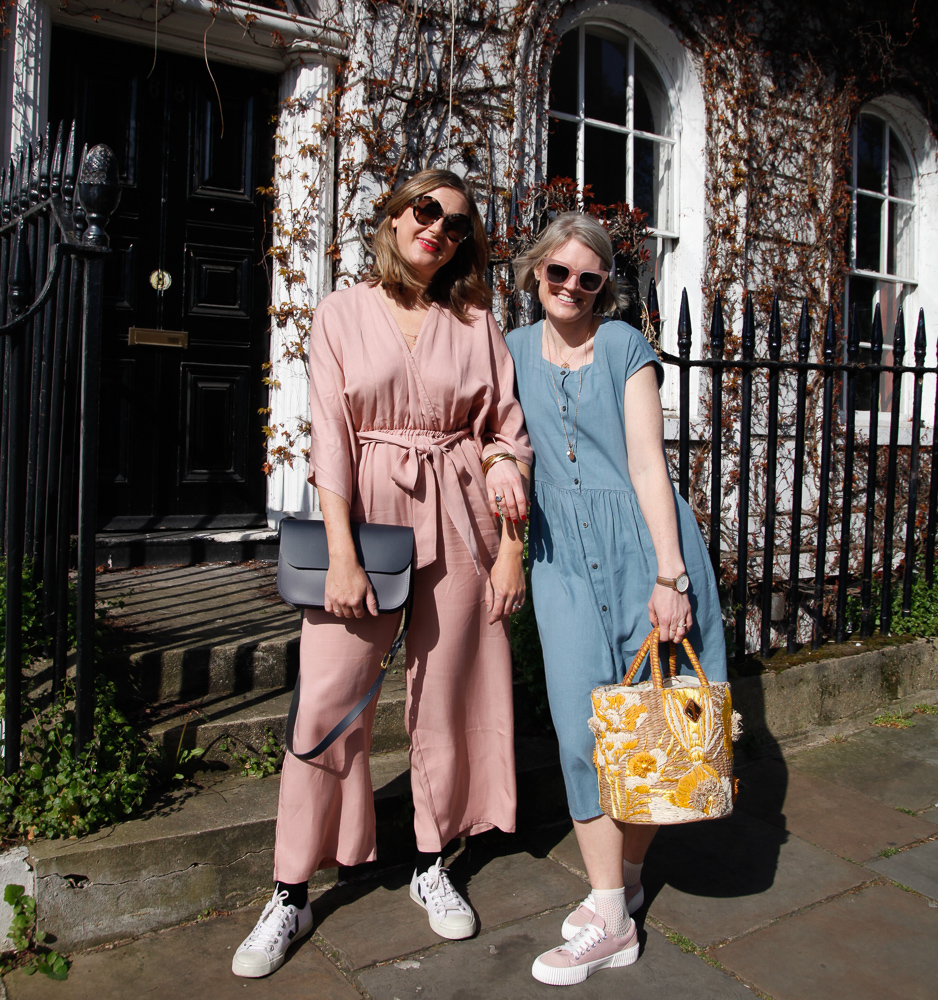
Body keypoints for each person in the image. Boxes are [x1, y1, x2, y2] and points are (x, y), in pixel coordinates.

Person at [232, 170, 532, 978]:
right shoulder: (339, 311)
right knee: (329, 699)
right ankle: (292, 890)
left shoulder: (474, 320)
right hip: (363, 515)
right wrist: (340, 553)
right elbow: (330, 433)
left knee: (454, 691)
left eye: (458, 224)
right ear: (395, 216)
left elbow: (505, 428)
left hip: (463, 515)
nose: (439, 228)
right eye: (426, 209)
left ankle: (434, 864)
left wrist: (511, 544)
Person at [505, 212, 726, 987]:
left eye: (589, 278)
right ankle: (613, 906)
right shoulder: (509, 354)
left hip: (641, 549)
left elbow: (645, 463)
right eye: (558, 273)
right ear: (536, 273)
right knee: (580, 730)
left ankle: (615, 900)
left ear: (606, 285)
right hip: (560, 557)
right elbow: (500, 441)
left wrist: (671, 576)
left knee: (651, 723)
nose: (571, 288)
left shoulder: (627, 346)